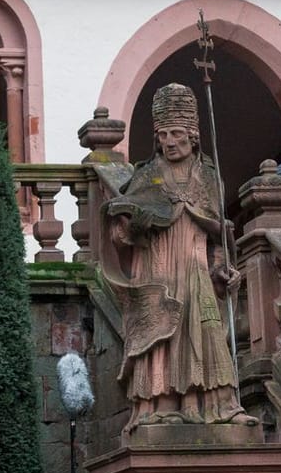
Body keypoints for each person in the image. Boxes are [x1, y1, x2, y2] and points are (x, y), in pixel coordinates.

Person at [103, 83, 256, 432]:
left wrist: (224, 268)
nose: (169, 141)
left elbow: (219, 230)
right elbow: (119, 231)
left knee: (206, 332)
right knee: (162, 335)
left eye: (176, 134)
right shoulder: (147, 175)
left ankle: (218, 405)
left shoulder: (207, 175)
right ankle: (158, 407)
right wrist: (134, 223)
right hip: (157, 269)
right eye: (162, 135)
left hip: (196, 268)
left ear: (193, 135)